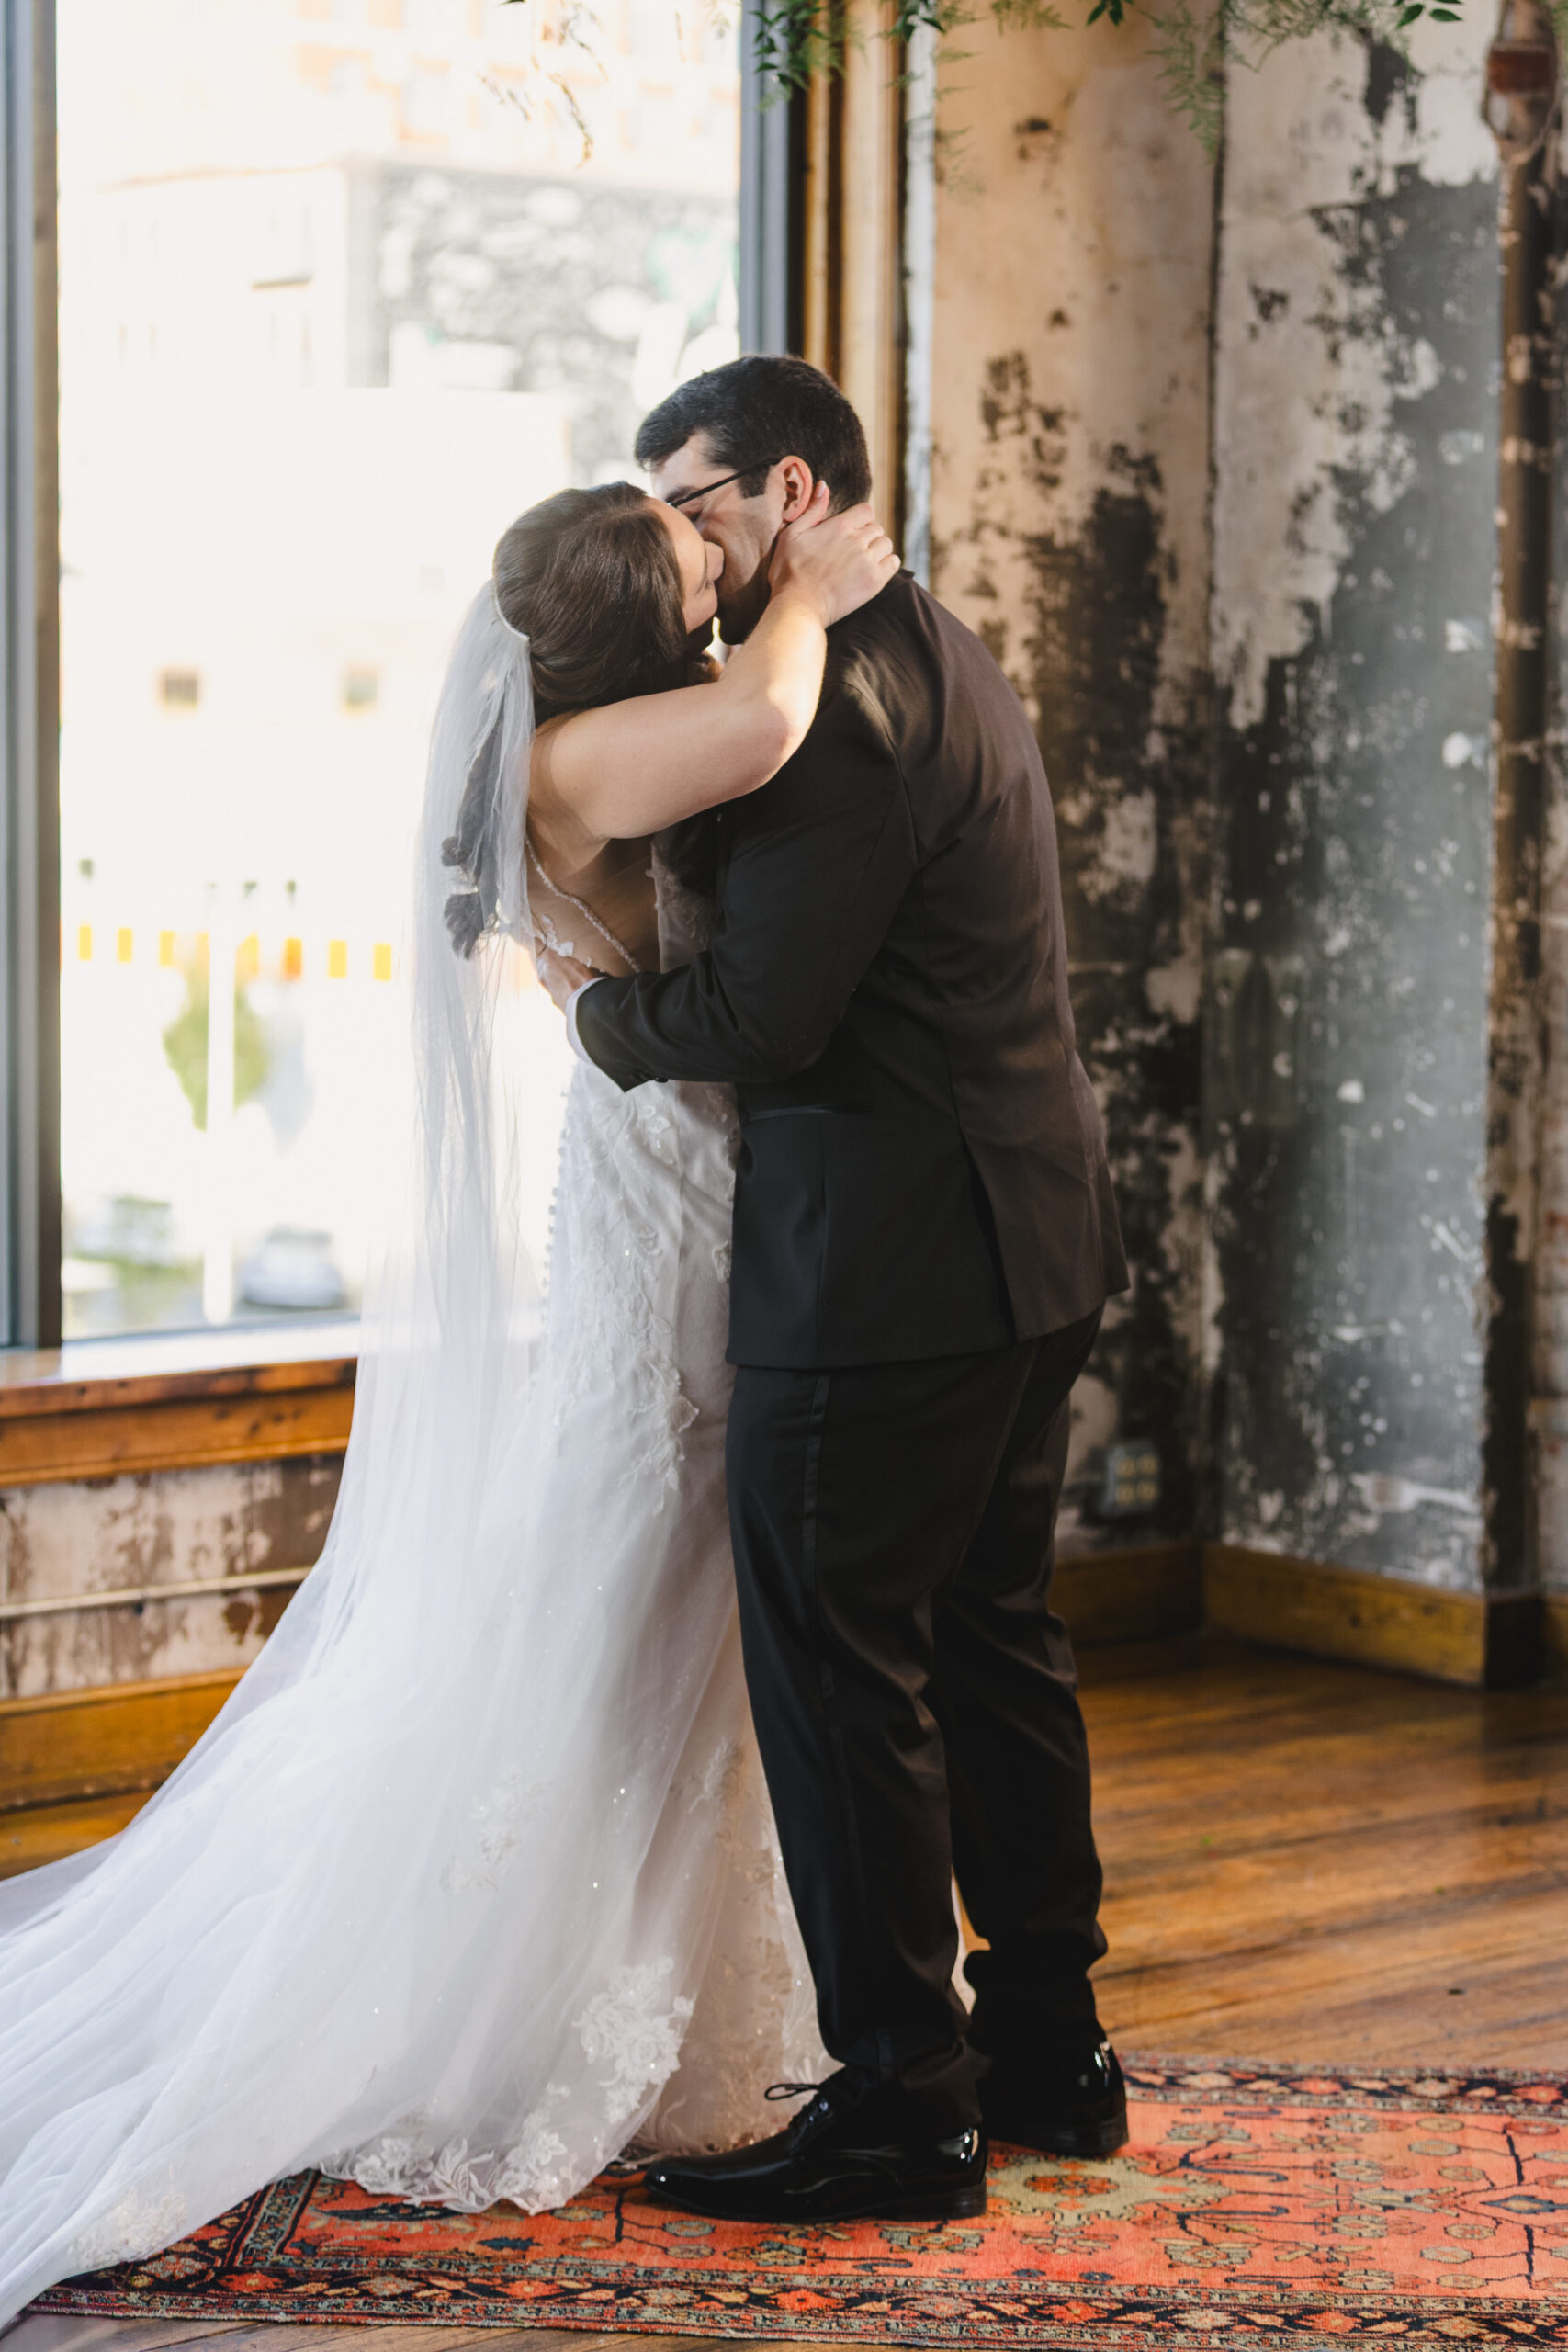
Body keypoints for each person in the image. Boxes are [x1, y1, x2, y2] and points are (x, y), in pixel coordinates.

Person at [0, 475, 897, 2324]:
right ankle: (522, 1987)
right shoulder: (588, 753)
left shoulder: (585, 737)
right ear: (629, 622)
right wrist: (812, 588)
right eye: (682, 546)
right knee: (649, 1539)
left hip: (671, 1160)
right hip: (671, 1180)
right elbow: (762, 722)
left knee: (670, 1560)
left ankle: (697, 1985)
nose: (711, 548)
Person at [539, 355, 1132, 2229]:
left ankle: (902, 2109)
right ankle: (1051, 2051)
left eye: (694, 502)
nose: (680, 542)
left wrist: (591, 1016)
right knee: (995, 1642)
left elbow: (758, 1014)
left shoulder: (823, 718)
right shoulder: (932, 646)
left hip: (885, 1273)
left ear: (789, 490)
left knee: (840, 1675)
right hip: (1030, 1233)